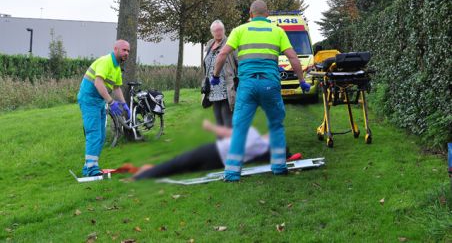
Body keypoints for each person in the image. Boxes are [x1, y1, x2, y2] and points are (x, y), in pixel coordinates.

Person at [211, 0, 311, 182]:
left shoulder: (239, 31)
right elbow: (293, 58)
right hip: (270, 85)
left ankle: (232, 172)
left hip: (247, 86)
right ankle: (279, 166)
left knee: (240, 128)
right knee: (276, 124)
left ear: (250, 14)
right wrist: (302, 81)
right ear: (267, 14)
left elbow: (222, 55)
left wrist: (215, 76)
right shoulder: (277, 31)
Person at [129, 120, 300, 180]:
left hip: (213, 152)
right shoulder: (260, 152)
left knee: (178, 163)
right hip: (216, 162)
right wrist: (290, 156)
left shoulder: (255, 137)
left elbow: (227, 132)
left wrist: (210, 126)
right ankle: (149, 173)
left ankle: (143, 175)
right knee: (182, 168)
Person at [77, 40, 131, 176]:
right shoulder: (106, 61)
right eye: (124, 50)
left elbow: (117, 87)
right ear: (116, 49)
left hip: (99, 101)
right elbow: (98, 83)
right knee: (94, 133)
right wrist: (111, 102)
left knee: (101, 135)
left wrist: (124, 105)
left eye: (128, 51)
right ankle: (90, 170)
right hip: (89, 100)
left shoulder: (117, 67)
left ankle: (90, 166)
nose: (126, 53)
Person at [203, 20, 238, 127]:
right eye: (216, 30)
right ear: (212, 32)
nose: (218, 32)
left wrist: (238, 80)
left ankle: (231, 142)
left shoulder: (231, 43)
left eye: (220, 30)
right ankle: (222, 142)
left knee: (227, 119)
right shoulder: (209, 44)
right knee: (218, 119)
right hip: (213, 89)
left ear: (224, 30)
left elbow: (239, 62)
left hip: (227, 87)